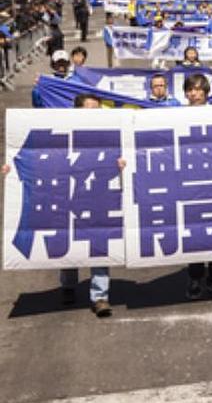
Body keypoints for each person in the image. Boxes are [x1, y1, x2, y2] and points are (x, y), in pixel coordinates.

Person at [2, 93, 126, 317]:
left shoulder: (108, 135)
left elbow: (122, 159)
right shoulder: (62, 133)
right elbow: (34, 159)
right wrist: (11, 170)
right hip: (67, 196)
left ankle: (100, 297)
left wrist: (122, 164)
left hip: (96, 197)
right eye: (89, 109)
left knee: (98, 244)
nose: (93, 114)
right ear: (76, 110)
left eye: (97, 109)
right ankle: (68, 285)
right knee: (68, 239)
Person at [182, 73, 212, 298]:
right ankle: (194, 278)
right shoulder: (176, 117)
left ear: (206, 92)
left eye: (198, 89)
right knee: (193, 230)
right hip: (190, 181)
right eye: (190, 90)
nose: (194, 94)